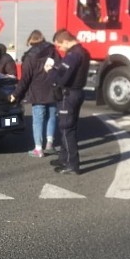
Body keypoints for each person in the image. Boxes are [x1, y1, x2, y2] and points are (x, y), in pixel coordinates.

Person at [45, 29, 90, 175]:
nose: (60, 49)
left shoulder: (72, 55)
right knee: (69, 127)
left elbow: (61, 79)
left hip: (68, 95)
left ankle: (72, 164)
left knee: (66, 129)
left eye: (60, 45)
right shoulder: (83, 52)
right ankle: (64, 158)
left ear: (65, 41)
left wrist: (50, 71)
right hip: (77, 93)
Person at [9, 30, 60, 158]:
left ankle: (38, 149)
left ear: (31, 41)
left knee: (38, 120)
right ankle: (49, 145)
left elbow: (25, 79)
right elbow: (60, 67)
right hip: (53, 90)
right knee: (51, 116)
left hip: (37, 93)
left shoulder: (29, 57)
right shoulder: (53, 51)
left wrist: (15, 94)